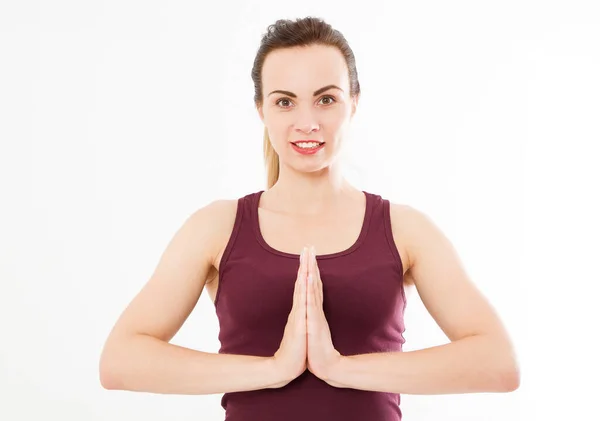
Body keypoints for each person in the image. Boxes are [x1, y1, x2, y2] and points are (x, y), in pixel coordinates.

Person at [99, 16, 520, 420]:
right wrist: (275, 369)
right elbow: (120, 360)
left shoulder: (405, 229)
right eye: (285, 102)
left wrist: (338, 367)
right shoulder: (217, 227)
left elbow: (497, 362)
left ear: (353, 102)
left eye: (326, 99)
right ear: (262, 110)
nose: (307, 123)